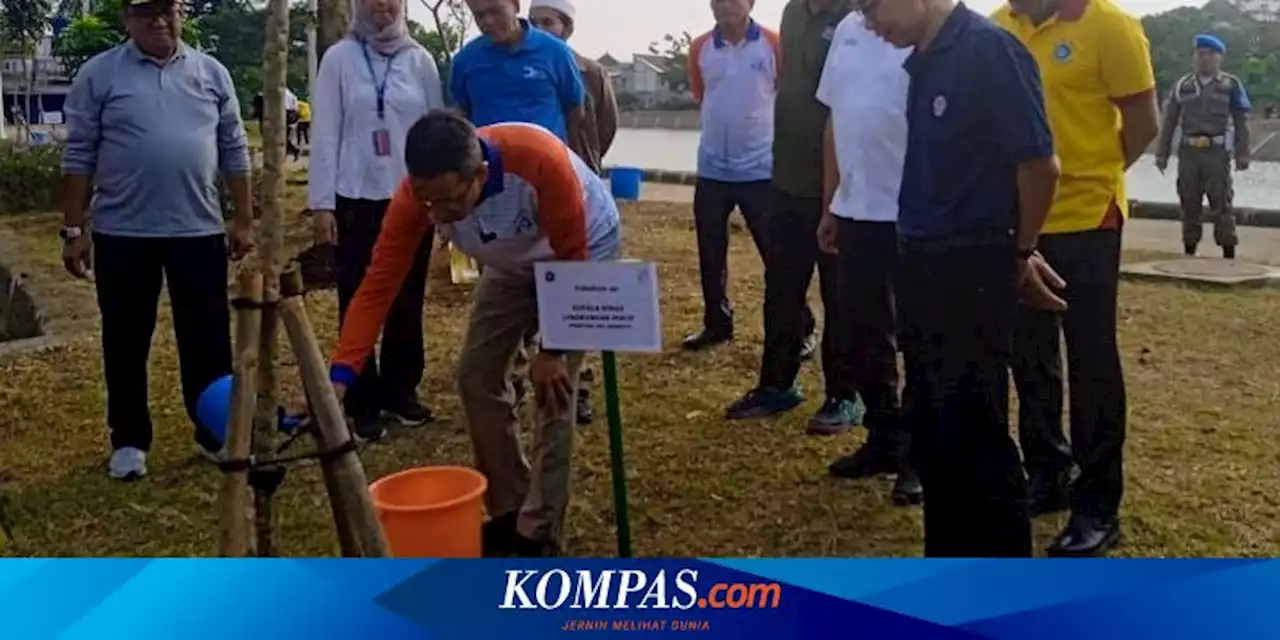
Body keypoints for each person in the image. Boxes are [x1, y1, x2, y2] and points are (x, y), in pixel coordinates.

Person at [329, 112, 621, 557]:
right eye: (428, 202)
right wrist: (342, 374)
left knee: (554, 390)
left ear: (480, 174)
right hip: (509, 261)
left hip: (580, 251)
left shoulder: (538, 159)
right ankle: (510, 510)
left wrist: (553, 349)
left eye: (449, 202)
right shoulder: (417, 198)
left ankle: (538, 533)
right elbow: (378, 285)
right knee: (476, 376)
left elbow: (572, 254)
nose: (438, 215)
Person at [857, 0, 1064, 556]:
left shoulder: (989, 50)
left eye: (869, 7)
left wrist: (1019, 253)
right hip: (922, 263)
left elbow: (1039, 166)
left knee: (976, 430)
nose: (868, 23)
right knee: (930, 425)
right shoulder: (922, 59)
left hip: (972, 266)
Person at [59, 0, 255, 480]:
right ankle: (128, 440)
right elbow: (79, 152)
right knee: (125, 339)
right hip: (123, 233)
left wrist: (244, 218)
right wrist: (73, 229)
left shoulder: (211, 73)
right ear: (127, 19)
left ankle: (213, 432)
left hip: (199, 229)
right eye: (147, 14)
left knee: (207, 340)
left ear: (181, 13)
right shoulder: (99, 75)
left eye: (168, 11)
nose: (160, 22)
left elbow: (233, 146)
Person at [994, 0, 1159, 557]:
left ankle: (1097, 503)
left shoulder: (1110, 27)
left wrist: (1094, 171)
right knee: (1029, 352)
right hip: (1020, 219)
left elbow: (1143, 124)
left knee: (1091, 358)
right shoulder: (1000, 27)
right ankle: (1047, 472)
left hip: (1088, 217)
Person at [309, 0, 444, 441]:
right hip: (356, 197)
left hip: (411, 198)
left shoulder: (419, 59)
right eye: (371, 1)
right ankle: (362, 399)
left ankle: (400, 393)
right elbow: (325, 132)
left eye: (390, 1)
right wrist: (322, 204)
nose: (381, 8)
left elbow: (436, 130)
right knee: (360, 296)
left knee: (408, 297)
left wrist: (442, 198)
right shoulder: (340, 59)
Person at [723, 0, 857, 435]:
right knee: (781, 290)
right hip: (784, 181)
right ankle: (777, 385)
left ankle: (845, 394)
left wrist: (836, 193)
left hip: (840, 187)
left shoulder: (859, 13)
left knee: (841, 297)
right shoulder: (793, 11)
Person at [814, 11, 921, 505]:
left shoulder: (927, 24)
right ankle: (883, 439)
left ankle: (918, 457)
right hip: (856, 208)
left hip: (913, 211)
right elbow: (835, 119)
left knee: (918, 338)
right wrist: (831, 202)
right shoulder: (850, 29)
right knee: (862, 332)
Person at [527, 0, 620, 425]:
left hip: (578, 184)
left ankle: (577, 385)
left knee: (577, 287)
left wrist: (582, 161)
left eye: (549, 22)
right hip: (529, 192)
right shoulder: (518, 63)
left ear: (567, 27)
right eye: (535, 22)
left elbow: (606, 126)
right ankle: (528, 371)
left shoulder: (590, 73)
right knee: (529, 283)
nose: (541, 29)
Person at [679, 0, 780, 353]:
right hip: (712, 169)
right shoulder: (700, 47)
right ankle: (716, 323)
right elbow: (702, 96)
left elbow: (785, 98)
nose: (724, 5)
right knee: (710, 253)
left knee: (777, 254)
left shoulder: (773, 43)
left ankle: (800, 326)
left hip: (760, 170)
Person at [1154, 33, 1251, 259]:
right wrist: (1162, 154)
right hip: (1188, 153)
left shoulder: (1230, 85)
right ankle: (1189, 250)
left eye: (1209, 55)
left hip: (1217, 154)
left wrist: (1242, 154)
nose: (1204, 59)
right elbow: (1169, 121)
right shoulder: (1183, 86)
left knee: (1222, 203)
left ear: (1220, 58)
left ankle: (1228, 253)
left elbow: (1241, 121)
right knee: (1189, 202)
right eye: (1200, 54)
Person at [452, 0, 586, 143]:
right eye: (479, 15)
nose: (488, 21)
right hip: (491, 161)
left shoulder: (556, 52)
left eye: (495, 12)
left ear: (516, 5)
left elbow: (575, 109)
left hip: (546, 159)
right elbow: (462, 111)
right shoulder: (465, 60)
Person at [285, 87, 300, 161]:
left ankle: (294, 150)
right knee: (285, 136)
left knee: (282, 137)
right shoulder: (292, 95)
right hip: (292, 114)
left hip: (285, 113)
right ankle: (289, 151)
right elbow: (296, 107)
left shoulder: (282, 93)